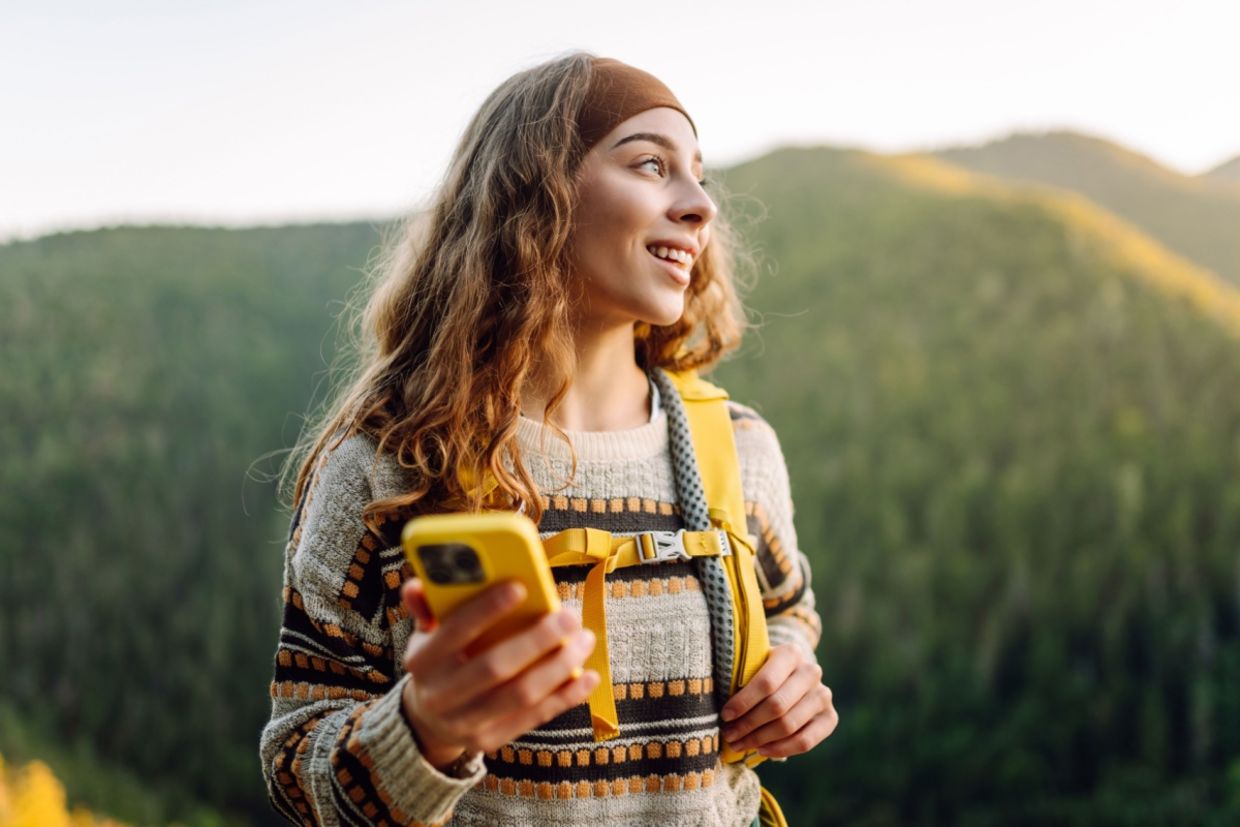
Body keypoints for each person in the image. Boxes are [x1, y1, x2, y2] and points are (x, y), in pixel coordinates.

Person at [259, 52, 837, 826]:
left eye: (698, 176)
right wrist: (424, 731)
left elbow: (789, 610)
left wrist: (791, 670)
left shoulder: (738, 449)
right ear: (536, 194)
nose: (701, 205)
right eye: (651, 164)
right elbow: (297, 765)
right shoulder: (385, 467)